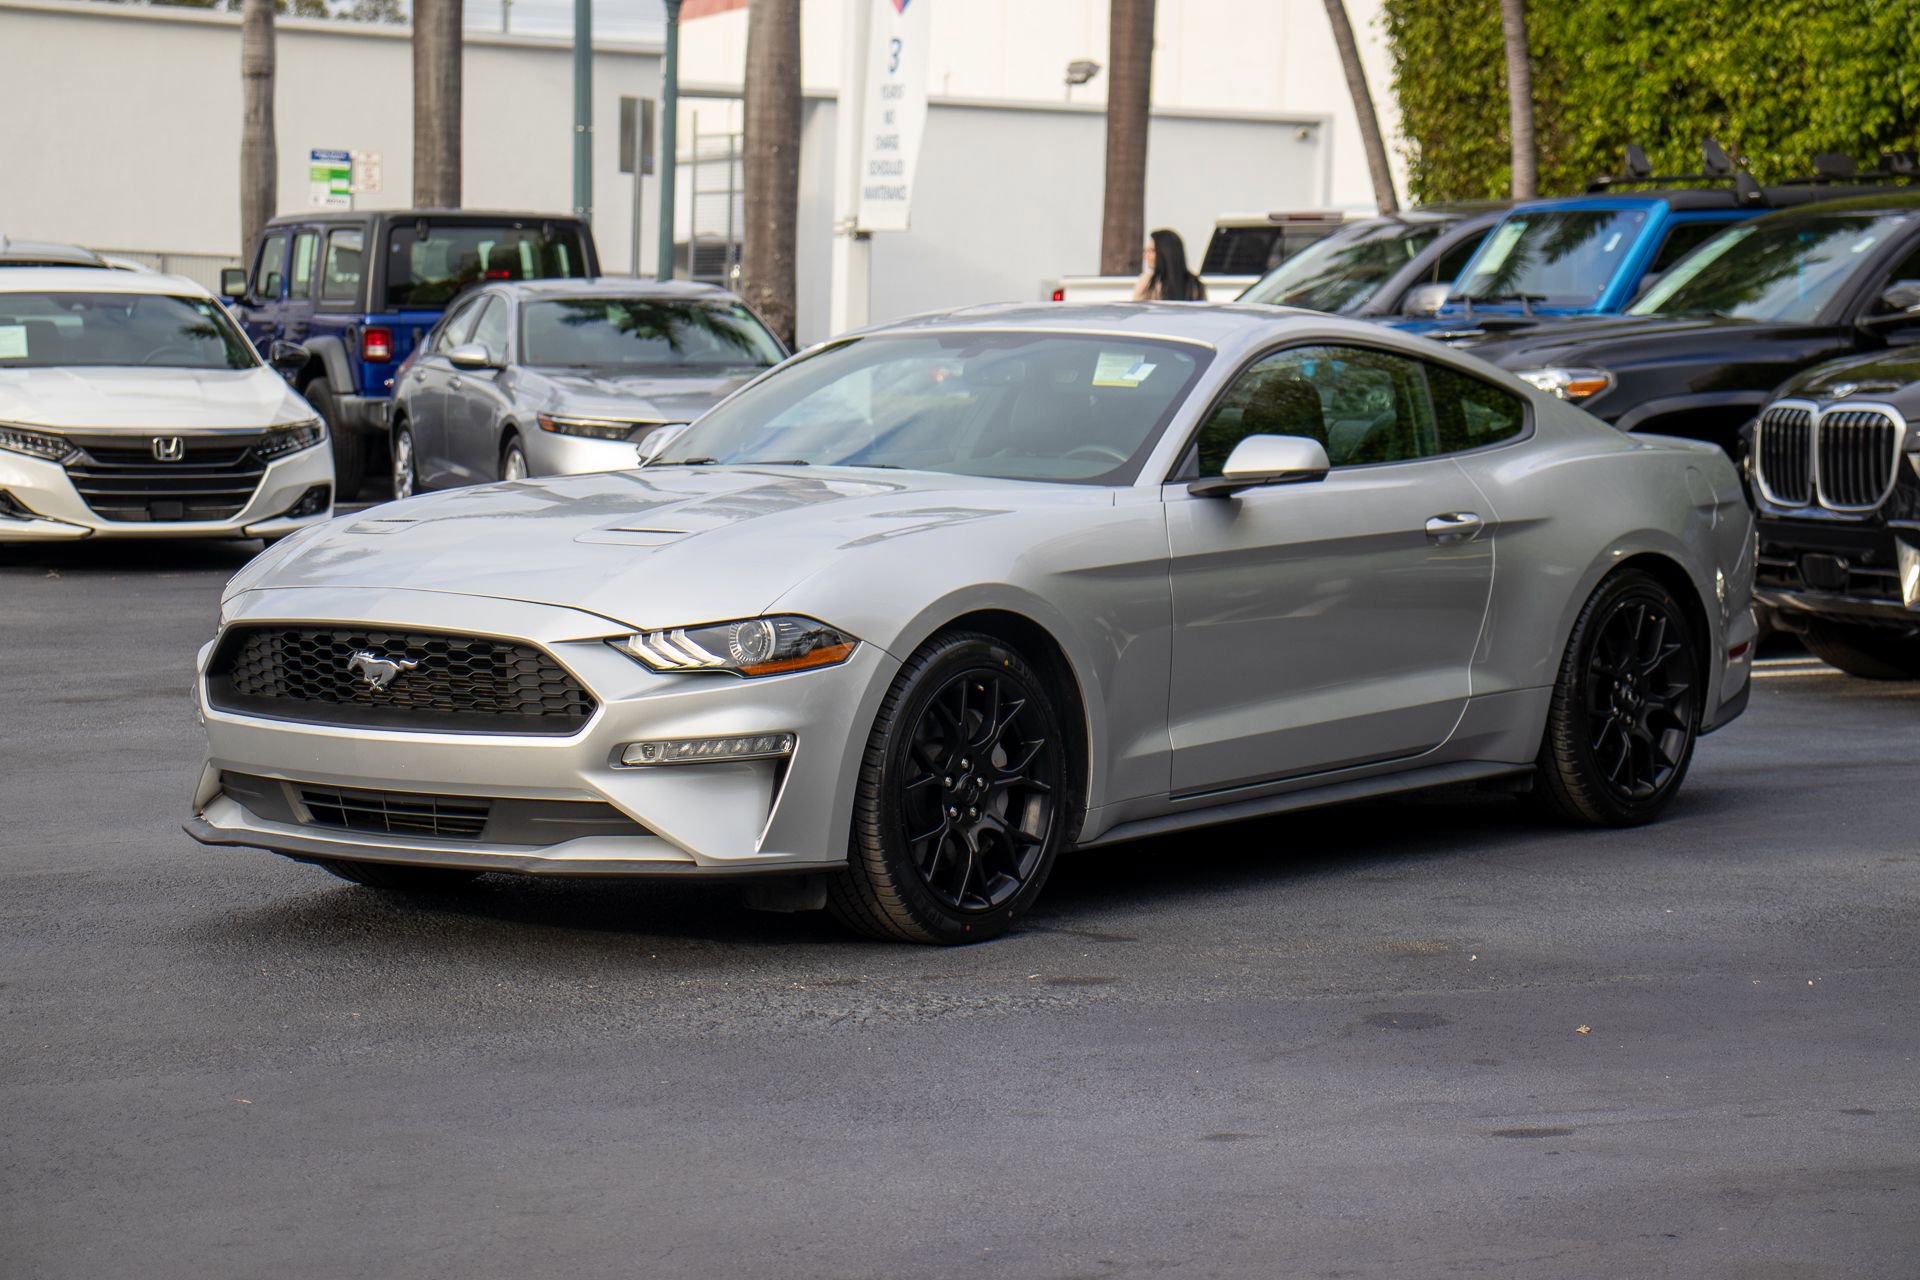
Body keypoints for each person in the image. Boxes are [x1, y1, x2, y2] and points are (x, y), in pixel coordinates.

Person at [1131, 228, 1207, 301]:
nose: (1146, 256)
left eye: (1152, 251)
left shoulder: (1194, 285)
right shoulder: (1146, 281)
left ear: (1166, 253)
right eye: (1145, 251)